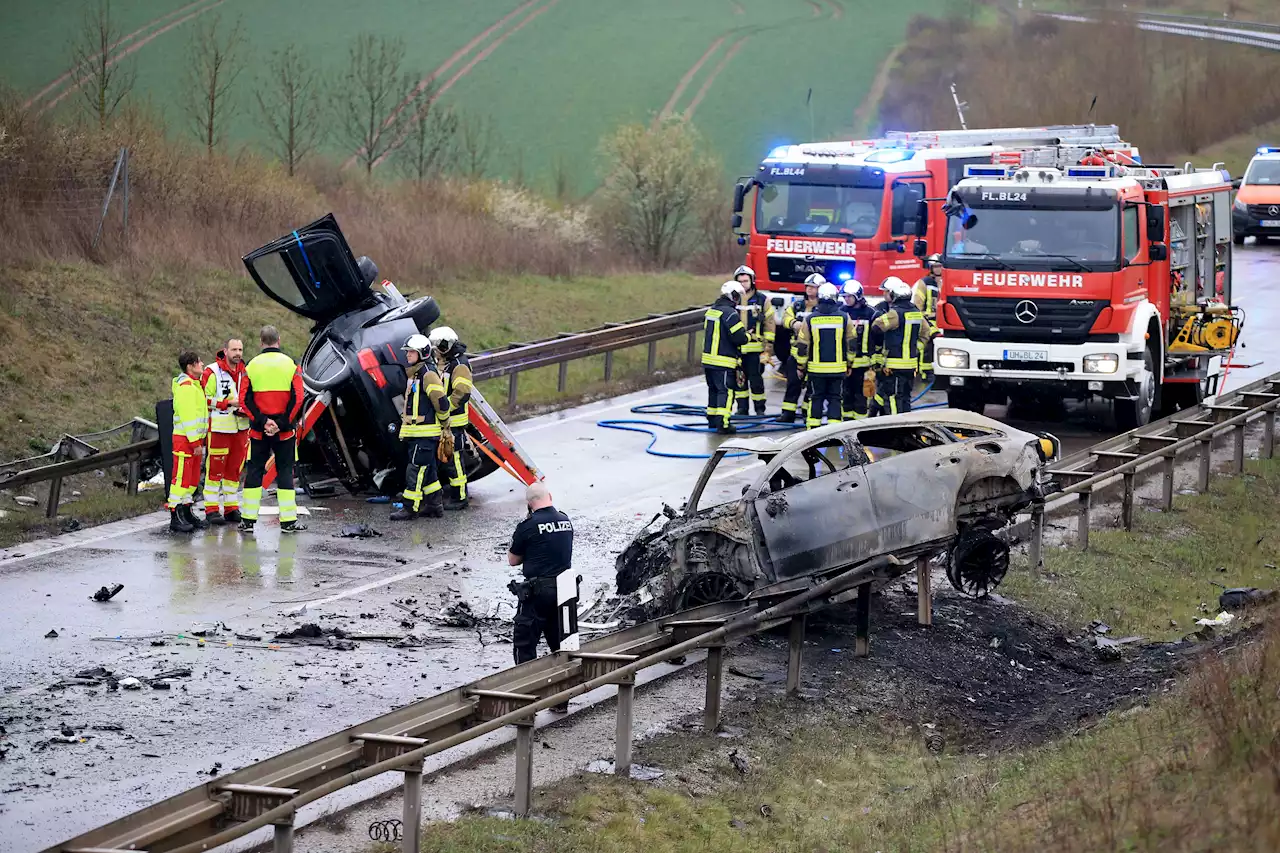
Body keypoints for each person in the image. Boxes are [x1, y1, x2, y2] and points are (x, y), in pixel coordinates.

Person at [507, 482, 575, 711]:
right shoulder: (566, 520)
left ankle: (525, 704)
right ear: (550, 496)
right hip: (564, 591)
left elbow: (513, 560)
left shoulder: (528, 525)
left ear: (529, 504)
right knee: (560, 645)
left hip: (537, 594)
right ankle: (561, 700)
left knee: (525, 646)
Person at [239, 325, 306, 533]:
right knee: (285, 471)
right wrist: (281, 423)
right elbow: (298, 398)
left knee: (255, 471)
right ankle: (288, 521)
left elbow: (244, 400)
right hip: (284, 433)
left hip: (259, 432)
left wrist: (263, 421)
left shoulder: (251, 366)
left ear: (261, 342)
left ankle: (248, 520)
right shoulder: (291, 365)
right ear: (279, 340)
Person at [391, 334, 448, 521]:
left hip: (425, 434)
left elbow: (441, 402)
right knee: (429, 470)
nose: (407, 355)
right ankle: (434, 506)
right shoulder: (417, 373)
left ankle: (410, 508)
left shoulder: (428, 374)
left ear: (422, 353)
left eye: (411, 352)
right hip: (418, 434)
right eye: (407, 352)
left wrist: (445, 424)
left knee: (415, 470)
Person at [200, 338, 249, 526]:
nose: (238, 353)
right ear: (225, 351)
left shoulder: (246, 372)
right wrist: (228, 403)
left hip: (241, 427)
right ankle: (211, 509)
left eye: (240, 349)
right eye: (234, 349)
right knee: (215, 470)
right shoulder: (212, 371)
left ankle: (231, 507)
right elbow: (204, 399)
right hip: (220, 427)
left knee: (234, 470)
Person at [795, 281, 856, 429]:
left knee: (816, 398)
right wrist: (849, 363)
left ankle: (812, 432)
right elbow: (852, 343)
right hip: (838, 369)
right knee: (835, 399)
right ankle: (833, 431)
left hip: (816, 370)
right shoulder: (844, 317)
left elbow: (803, 345)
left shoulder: (810, 319)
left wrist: (800, 367)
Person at [870, 277, 932, 416]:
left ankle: (894, 426)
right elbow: (926, 332)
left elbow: (876, 327)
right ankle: (906, 424)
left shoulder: (895, 313)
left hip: (894, 364)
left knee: (893, 397)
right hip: (910, 364)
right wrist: (916, 348)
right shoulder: (916, 313)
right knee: (905, 397)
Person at [429, 326, 473, 510]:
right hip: (445, 421)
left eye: (437, 347)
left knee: (455, 461)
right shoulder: (446, 362)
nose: (435, 352)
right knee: (447, 459)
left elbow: (462, 392)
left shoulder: (459, 364)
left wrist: (444, 408)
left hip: (454, 421)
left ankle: (460, 498)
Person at [168, 350, 209, 533]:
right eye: (199, 362)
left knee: (191, 480)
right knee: (181, 480)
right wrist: (195, 443)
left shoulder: (194, 385)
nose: (202, 365)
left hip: (193, 440)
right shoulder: (186, 387)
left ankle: (186, 511)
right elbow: (188, 418)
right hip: (186, 441)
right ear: (190, 366)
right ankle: (175, 516)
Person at [702, 280, 749, 434]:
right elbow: (739, 338)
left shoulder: (711, 311)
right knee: (726, 391)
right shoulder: (730, 314)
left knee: (713, 390)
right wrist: (748, 335)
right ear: (733, 296)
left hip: (708, 360)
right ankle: (723, 422)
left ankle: (712, 420)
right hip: (723, 361)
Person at [777, 274, 822, 423]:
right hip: (796, 352)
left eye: (813, 287)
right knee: (792, 383)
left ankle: (807, 412)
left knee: (812, 385)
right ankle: (788, 413)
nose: (809, 289)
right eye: (807, 286)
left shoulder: (823, 307)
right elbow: (786, 318)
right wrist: (793, 323)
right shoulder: (797, 305)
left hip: (815, 353)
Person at [731, 265, 773, 416]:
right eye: (740, 281)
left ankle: (759, 408)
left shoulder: (762, 300)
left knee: (756, 381)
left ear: (752, 281)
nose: (743, 284)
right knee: (739, 380)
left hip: (756, 349)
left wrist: (767, 349)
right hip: (737, 349)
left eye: (746, 281)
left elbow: (770, 324)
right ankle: (742, 409)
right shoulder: (732, 299)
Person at [840, 280, 876, 420]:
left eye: (849, 296)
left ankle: (860, 424)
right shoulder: (842, 312)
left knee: (861, 394)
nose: (846, 299)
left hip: (864, 363)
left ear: (858, 296)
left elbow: (876, 338)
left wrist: (873, 363)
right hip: (845, 362)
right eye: (844, 297)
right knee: (846, 393)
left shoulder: (870, 313)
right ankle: (846, 423)